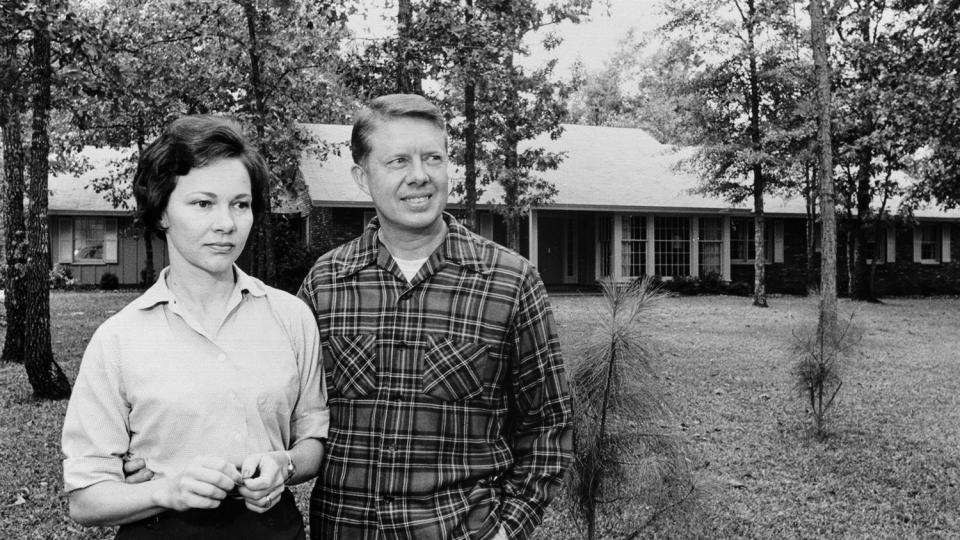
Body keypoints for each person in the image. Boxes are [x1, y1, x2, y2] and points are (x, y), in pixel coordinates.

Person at [297, 94, 573, 540]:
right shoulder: (325, 283)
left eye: (433, 158)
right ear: (361, 177)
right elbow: (286, 411)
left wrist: (505, 531)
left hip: (462, 530)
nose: (420, 176)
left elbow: (548, 427)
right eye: (398, 161)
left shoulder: (510, 282)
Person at [61, 115, 329, 539]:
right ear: (162, 210)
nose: (226, 223)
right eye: (203, 203)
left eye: (240, 204)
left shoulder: (291, 317)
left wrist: (286, 464)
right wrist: (168, 490)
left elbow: (313, 440)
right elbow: (85, 499)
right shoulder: (118, 340)